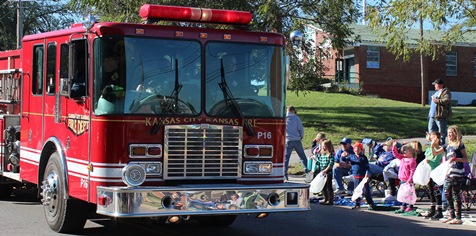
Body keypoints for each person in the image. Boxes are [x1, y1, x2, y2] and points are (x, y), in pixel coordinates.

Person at [441, 125, 469, 224]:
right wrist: (432, 144)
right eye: (448, 133)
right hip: (449, 172)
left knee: (455, 194)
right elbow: (436, 152)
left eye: (451, 132)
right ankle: (451, 215)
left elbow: (466, 158)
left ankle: (458, 217)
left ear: (456, 133)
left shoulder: (459, 145)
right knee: (447, 194)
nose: (449, 135)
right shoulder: (447, 146)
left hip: (457, 172)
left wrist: (456, 159)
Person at [343, 142, 376, 210]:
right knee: (357, 191)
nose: (356, 150)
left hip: (363, 177)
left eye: (358, 149)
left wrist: (367, 173)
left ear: (361, 150)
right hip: (356, 177)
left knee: (366, 191)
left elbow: (367, 167)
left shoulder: (363, 157)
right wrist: (343, 156)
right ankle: (357, 204)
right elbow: (345, 160)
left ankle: (370, 203)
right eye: (355, 148)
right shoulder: (351, 156)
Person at [422, 131, 445, 220]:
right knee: (431, 191)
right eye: (431, 137)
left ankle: (439, 210)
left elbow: (436, 160)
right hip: (429, 172)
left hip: (436, 173)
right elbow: (427, 157)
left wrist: (430, 161)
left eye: (433, 137)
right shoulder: (428, 149)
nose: (431, 138)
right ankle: (432, 209)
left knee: (436, 192)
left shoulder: (440, 149)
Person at [284, 106, 309, 181]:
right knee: (302, 157)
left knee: (286, 158)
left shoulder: (284, 118)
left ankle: (285, 175)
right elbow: (301, 129)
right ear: (293, 110)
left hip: (288, 140)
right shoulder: (296, 118)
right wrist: (301, 136)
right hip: (297, 139)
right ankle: (307, 172)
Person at [392, 141, 417, 214]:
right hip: (402, 179)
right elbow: (396, 154)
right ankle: (403, 205)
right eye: (403, 150)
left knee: (409, 193)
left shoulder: (411, 160)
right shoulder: (402, 158)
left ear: (411, 151)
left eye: (406, 150)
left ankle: (410, 205)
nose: (404, 152)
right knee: (403, 193)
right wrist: (394, 147)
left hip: (408, 180)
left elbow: (412, 171)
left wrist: (410, 179)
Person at [428, 78, 452, 145]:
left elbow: (447, 100)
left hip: (440, 116)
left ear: (439, 85)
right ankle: (432, 146)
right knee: (432, 132)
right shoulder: (436, 93)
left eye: (435, 84)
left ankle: (442, 147)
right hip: (432, 116)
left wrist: (437, 100)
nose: (434, 86)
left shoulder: (445, 91)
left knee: (441, 133)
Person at [316, 139, 335, 205]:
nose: (323, 148)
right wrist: (314, 159)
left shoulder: (330, 155)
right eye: (322, 146)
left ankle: (330, 200)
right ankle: (325, 198)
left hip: (328, 172)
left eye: (324, 146)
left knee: (328, 186)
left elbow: (331, 163)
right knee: (323, 186)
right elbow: (319, 162)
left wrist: (326, 170)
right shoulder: (322, 155)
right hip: (322, 172)